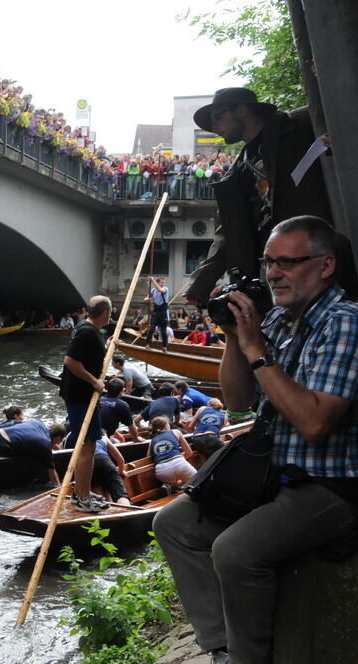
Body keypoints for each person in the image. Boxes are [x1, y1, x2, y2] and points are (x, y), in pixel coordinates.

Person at [154, 216, 358, 663]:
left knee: (235, 551)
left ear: (325, 266)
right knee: (173, 523)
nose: (273, 273)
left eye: (288, 262)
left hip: (328, 483)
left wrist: (257, 351)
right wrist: (232, 335)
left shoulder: (345, 323)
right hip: (270, 472)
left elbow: (314, 423)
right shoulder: (282, 319)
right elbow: (238, 400)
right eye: (269, 262)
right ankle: (221, 647)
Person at [185, 88, 357, 307]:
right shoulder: (236, 172)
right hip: (273, 268)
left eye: (218, 117)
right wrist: (200, 284)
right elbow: (230, 231)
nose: (214, 127)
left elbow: (345, 115)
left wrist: (344, 142)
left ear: (240, 110)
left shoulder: (301, 123)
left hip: (319, 257)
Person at [59, 295, 113, 512]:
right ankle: (81, 497)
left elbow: (90, 354)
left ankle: (82, 491)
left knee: (89, 445)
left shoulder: (90, 330)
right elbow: (70, 361)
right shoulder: (86, 331)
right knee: (88, 447)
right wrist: (95, 382)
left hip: (85, 395)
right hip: (81, 397)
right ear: (106, 313)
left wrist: (108, 345)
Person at [0, 417, 65, 485]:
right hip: (3, 445)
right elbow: (53, 475)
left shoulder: (38, 423)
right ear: (58, 438)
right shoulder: (45, 445)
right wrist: (58, 487)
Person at [146, 416, 196, 487]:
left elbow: (148, 458)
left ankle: (171, 485)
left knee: (177, 481)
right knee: (197, 481)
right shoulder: (176, 432)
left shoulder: (152, 441)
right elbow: (189, 453)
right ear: (166, 425)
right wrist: (180, 456)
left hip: (161, 471)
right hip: (179, 463)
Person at [91, 436, 132, 506]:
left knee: (99, 498)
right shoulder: (102, 437)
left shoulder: (79, 439)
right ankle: (127, 512)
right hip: (104, 461)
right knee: (121, 495)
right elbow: (120, 459)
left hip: (89, 465)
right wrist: (121, 471)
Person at [99, 378, 139, 444]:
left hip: (95, 433)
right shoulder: (122, 405)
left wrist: (116, 433)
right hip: (101, 437)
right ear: (122, 391)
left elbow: (104, 419)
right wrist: (136, 439)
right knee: (119, 441)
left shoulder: (100, 399)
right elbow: (131, 426)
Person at [144, 277, 170, 352]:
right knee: (151, 328)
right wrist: (147, 299)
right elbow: (146, 298)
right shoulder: (153, 290)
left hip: (163, 311)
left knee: (163, 330)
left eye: (164, 282)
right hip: (156, 311)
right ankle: (147, 344)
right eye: (162, 282)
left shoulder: (165, 289)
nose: (163, 284)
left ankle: (164, 347)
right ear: (158, 283)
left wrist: (152, 281)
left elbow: (160, 290)